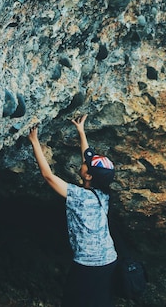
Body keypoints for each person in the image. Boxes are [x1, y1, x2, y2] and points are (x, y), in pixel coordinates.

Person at [28, 115, 117, 307]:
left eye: (86, 164)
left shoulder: (80, 196)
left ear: (88, 175)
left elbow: (49, 177)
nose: (83, 162)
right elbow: (88, 156)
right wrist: (81, 131)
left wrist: (35, 142)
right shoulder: (103, 194)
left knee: (73, 301)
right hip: (109, 259)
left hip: (88, 264)